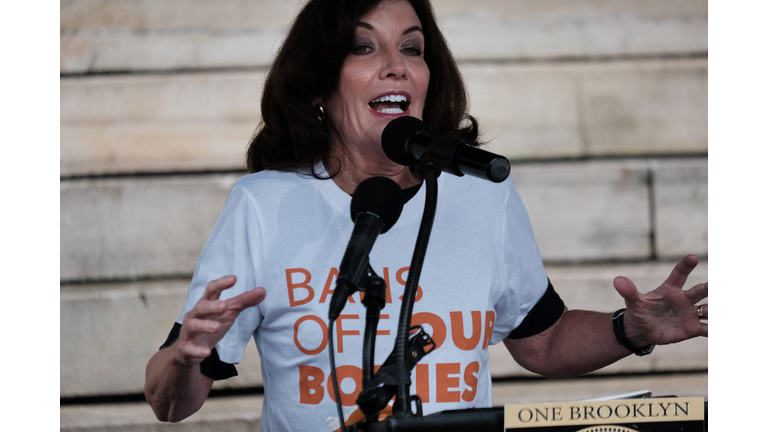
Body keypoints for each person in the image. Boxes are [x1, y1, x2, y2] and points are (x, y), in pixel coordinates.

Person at [144, 0, 708, 430]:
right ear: (318, 84)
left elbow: (542, 339)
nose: (396, 67)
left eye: (412, 49)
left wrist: (628, 330)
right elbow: (171, 402)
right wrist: (184, 358)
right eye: (364, 48)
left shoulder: (482, 197)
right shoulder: (264, 205)